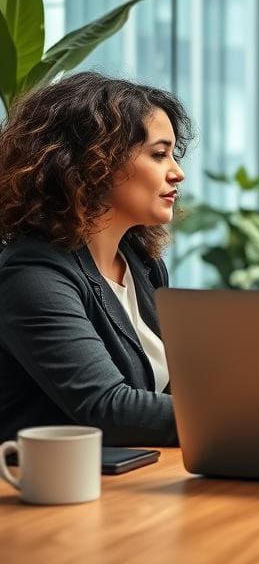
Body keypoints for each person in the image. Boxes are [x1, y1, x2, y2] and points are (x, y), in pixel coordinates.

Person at [0, 72, 192, 446]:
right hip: (49, 494)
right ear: (95, 162)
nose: (178, 173)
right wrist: (255, 420)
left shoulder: (142, 264)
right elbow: (104, 408)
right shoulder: (32, 275)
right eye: (159, 154)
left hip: (131, 478)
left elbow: (168, 390)